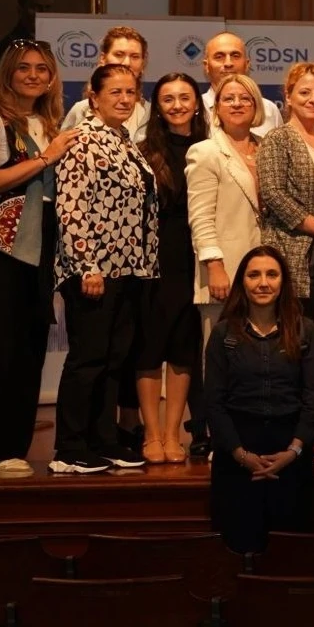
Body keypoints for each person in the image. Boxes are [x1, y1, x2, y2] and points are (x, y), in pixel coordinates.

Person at [0, 41, 78, 477]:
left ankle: (14, 447)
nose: (33, 75)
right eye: (24, 67)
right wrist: (47, 158)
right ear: (8, 72)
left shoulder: (47, 123)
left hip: (38, 247)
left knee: (29, 348)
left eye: (42, 69)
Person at [50, 64, 158, 474]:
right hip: (94, 271)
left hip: (128, 270)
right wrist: (86, 266)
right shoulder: (82, 140)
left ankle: (104, 439)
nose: (124, 99)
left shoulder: (125, 140)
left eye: (130, 92)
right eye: (114, 92)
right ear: (92, 97)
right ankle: (69, 446)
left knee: (114, 359)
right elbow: (71, 208)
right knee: (89, 358)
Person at [206, 246, 314, 552]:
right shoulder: (223, 335)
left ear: (283, 281)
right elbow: (214, 404)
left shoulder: (305, 331)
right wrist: (241, 455)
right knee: (237, 555)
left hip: (291, 457)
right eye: (254, 274)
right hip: (237, 460)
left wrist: (294, 451)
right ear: (242, 282)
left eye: (272, 274)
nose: (263, 282)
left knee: (290, 558)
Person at [185, 73, 268, 457]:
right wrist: (214, 265)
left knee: (257, 361)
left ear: (257, 108)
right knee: (220, 361)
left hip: (265, 272)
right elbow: (200, 217)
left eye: (245, 98)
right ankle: (222, 439)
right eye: (228, 99)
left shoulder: (267, 148)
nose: (237, 104)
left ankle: (255, 434)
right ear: (216, 109)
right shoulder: (205, 152)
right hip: (223, 270)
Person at [137, 73, 206, 464]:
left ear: (197, 104)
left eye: (184, 97)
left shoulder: (213, 148)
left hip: (193, 262)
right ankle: (151, 433)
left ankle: (172, 432)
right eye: (168, 99)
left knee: (183, 349)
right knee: (150, 349)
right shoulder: (144, 152)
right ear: (158, 108)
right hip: (153, 264)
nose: (178, 105)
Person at [257, 63, 314, 317]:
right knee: (296, 327)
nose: (313, 99)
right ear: (289, 95)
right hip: (295, 247)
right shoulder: (278, 138)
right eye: (305, 92)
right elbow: (273, 193)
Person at [62, 26, 152, 141]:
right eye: (119, 54)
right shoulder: (81, 110)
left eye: (135, 57)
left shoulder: (151, 114)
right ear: (103, 59)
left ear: (142, 64)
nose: (126, 62)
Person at [199, 31, 283, 132]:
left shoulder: (269, 110)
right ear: (206, 66)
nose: (228, 63)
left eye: (235, 56)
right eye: (219, 57)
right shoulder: (196, 109)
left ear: (247, 64)